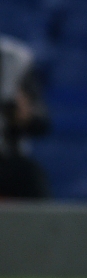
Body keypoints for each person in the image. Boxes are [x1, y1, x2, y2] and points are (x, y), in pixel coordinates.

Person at [0, 34, 51, 199]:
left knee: (29, 175)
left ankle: (44, 225)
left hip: (6, 160)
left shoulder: (13, 59)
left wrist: (25, 116)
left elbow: (41, 123)